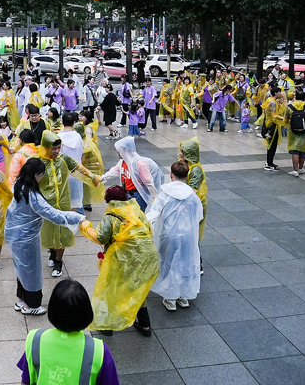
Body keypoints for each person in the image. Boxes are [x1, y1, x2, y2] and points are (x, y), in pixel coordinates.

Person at [5, 159, 86, 314]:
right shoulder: (33, 195)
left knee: (21, 268)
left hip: (13, 234)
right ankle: (31, 306)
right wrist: (77, 217)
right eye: (42, 174)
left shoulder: (19, 183)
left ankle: (20, 301)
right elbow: (52, 214)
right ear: (37, 174)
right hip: (26, 238)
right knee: (31, 271)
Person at [79, 186, 158, 336]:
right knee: (137, 288)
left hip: (123, 258)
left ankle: (107, 327)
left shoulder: (111, 216)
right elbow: (148, 230)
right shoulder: (137, 211)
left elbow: (100, 237)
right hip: (148, 257)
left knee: (110, 288)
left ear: (109, 201)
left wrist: (85, 226)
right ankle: (145, 325)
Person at [18, 279, 120, 385]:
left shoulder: (35, 339)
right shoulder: (98, 351)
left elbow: (25, 380)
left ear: (53, 311)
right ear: (86, 313)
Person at [37, 131, 103, 278]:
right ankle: (53, 252)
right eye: (53, 148)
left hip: (63, 203)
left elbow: (78, 167)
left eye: (58, 148)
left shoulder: (63, 159)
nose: (56, 151)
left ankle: (59, 261)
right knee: (49, 232)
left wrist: (92, 176)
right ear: (46, 147)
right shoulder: (38, 162)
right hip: (46, 205)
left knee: (62, 233)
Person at [151, 160, 203, 311]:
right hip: (187, 233)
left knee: (168, 262)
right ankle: (184, 295)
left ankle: (170, 297)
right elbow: (198, 216)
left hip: (168, 234)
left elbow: (154, 213)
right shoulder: (192, 196)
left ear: (171, 175)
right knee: (185, 261)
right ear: (187, 177)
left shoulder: (164, 194)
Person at [100, 137, 161, 213]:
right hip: (127, 194)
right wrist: (102, 178)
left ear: (125, 151)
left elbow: (149, 182)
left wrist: (155, 199)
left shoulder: (139, 163)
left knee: (137, 218)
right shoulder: (123, 161)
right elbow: (114, 171)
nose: (118, 154)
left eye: (119, 151)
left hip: (137, 196)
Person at [285, 90, 305, 177]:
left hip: (293, 131)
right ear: (304, 98)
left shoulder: (290, 107)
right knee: (303, 149)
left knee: (295, 149)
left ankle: (295, 170)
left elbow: (285, 119)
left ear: (295, 97)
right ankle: (301, 168)